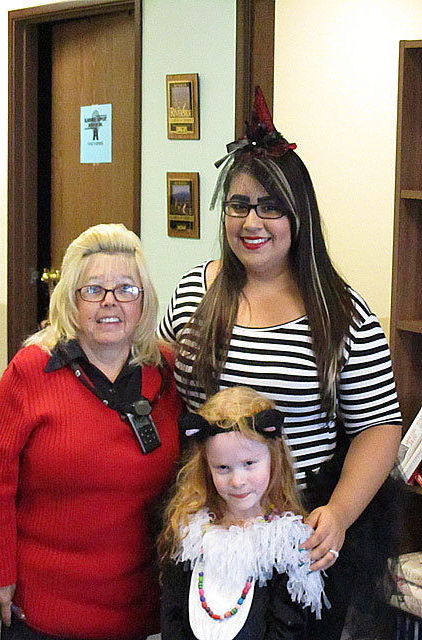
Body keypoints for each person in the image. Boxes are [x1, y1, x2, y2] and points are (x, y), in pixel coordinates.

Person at [158, 88, 403, 638]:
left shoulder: (341, 313)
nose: (253, 221)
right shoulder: (193, 295)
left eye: (271, 206)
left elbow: (379, 426)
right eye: (240, 205)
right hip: (207, 524)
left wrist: (338, 515)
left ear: (299, 216)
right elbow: (156, 384)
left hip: (299, 531)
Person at [0, 223, 182, 640]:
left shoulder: (166, 371)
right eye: (93, 290)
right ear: (70, 299)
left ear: (144, 301)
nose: (110, 303)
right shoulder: (30, 371)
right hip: (46, 608)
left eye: (126, 289)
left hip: (136, 606)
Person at [159, 386, 326, 639]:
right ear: (206, 468)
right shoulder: (190, 532)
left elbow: (287, 629)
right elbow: (172, 616)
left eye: (249, 464)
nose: (237, 481)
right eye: (223, 467)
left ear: (274, 458)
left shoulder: (286, 545)